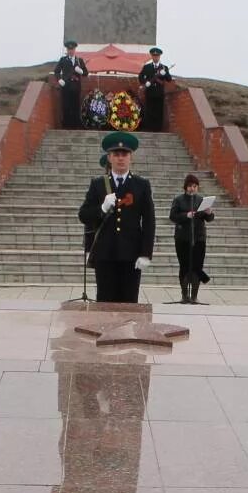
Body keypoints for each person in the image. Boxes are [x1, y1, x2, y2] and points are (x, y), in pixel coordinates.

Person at [78, 131, 154, 302]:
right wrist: (102, 208)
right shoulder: (98, 184)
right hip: (105, 254)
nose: (121, 158)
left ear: (131, 157)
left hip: (131, 254)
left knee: (129, 302)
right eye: (116, 154)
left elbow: (149, 221)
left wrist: (146, 253)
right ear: (109, 157)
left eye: (124, 154)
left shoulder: (141, 185)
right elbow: (83, 215)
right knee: (104, 302)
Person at [169, 173, 214, 304]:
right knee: (184, 266)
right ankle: (184, 295)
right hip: (182, 238)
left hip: (199, 238)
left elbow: (209, 219)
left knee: (197, 267)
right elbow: (172, 216)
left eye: (195, 186)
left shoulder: (201, 200)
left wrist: (209, 213)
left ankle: (194, 296)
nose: (192, 188)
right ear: (185, 187)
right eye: (190, 186)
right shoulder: (178, 200)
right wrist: (186, 215)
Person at [54, 41, 89, 129]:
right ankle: (66, 126)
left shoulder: (79, 61)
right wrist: (59, 79)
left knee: (75, 106)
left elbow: (86, 73)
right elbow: (56, 71)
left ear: (75, 49)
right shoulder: (63, 60)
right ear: (67, 50)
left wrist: (80, 71)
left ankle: (75, 126)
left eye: (72, 49)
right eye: (69, 49)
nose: (71, 51)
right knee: (66, 106)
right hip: (66, 87)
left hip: (76, 87)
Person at [138, 47, 172, 132]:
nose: (155, 57)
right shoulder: (147, 67)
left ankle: (157, 129)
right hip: (150, 92)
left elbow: (169, 79)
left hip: (159, 93)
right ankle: (149, 128)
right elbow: (140, 77)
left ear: (159, 56)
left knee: (158, 111)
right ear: (151, 56)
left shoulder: (164, 68)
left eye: (157, 56)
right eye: (154, 56)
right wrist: (145, 83)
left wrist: (165, 74)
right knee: (149, 110)